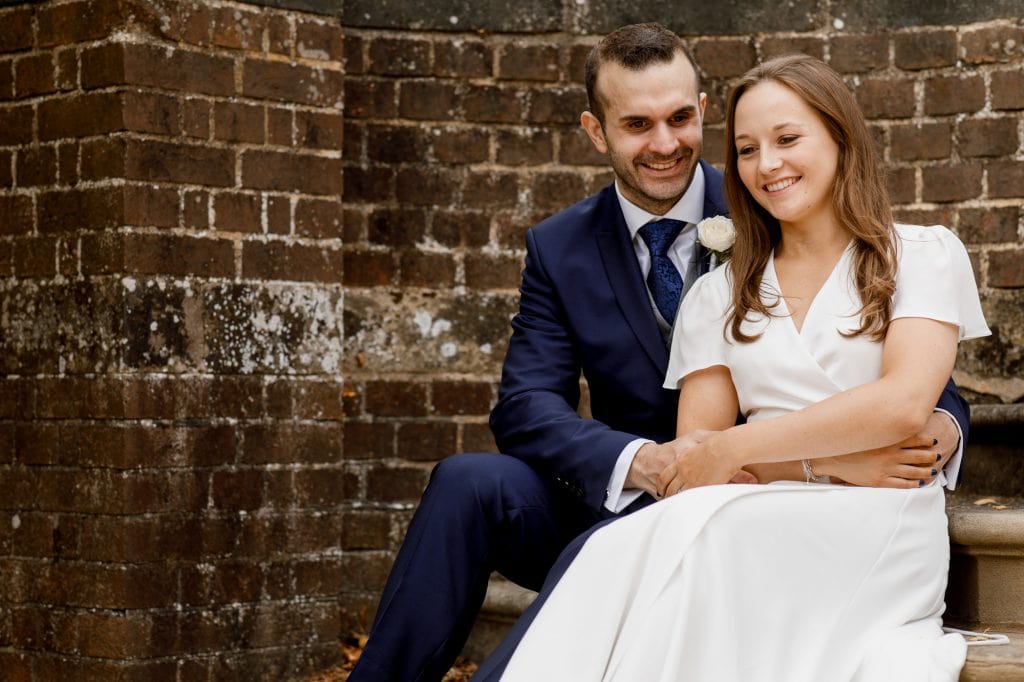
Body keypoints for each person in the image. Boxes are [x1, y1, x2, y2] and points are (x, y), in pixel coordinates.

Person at [349, 25, 970, 682]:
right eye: (638, 124)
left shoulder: (775, 195)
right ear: (598, 132)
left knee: (633, 556)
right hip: (648, 486)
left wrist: (942, 422)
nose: (666, 143)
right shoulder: (560, 248)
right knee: (469, 483)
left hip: (754, 492)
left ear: (703, 111)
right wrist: (640, 462)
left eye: (680, 118)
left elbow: (902, 375)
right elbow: (527, 406)